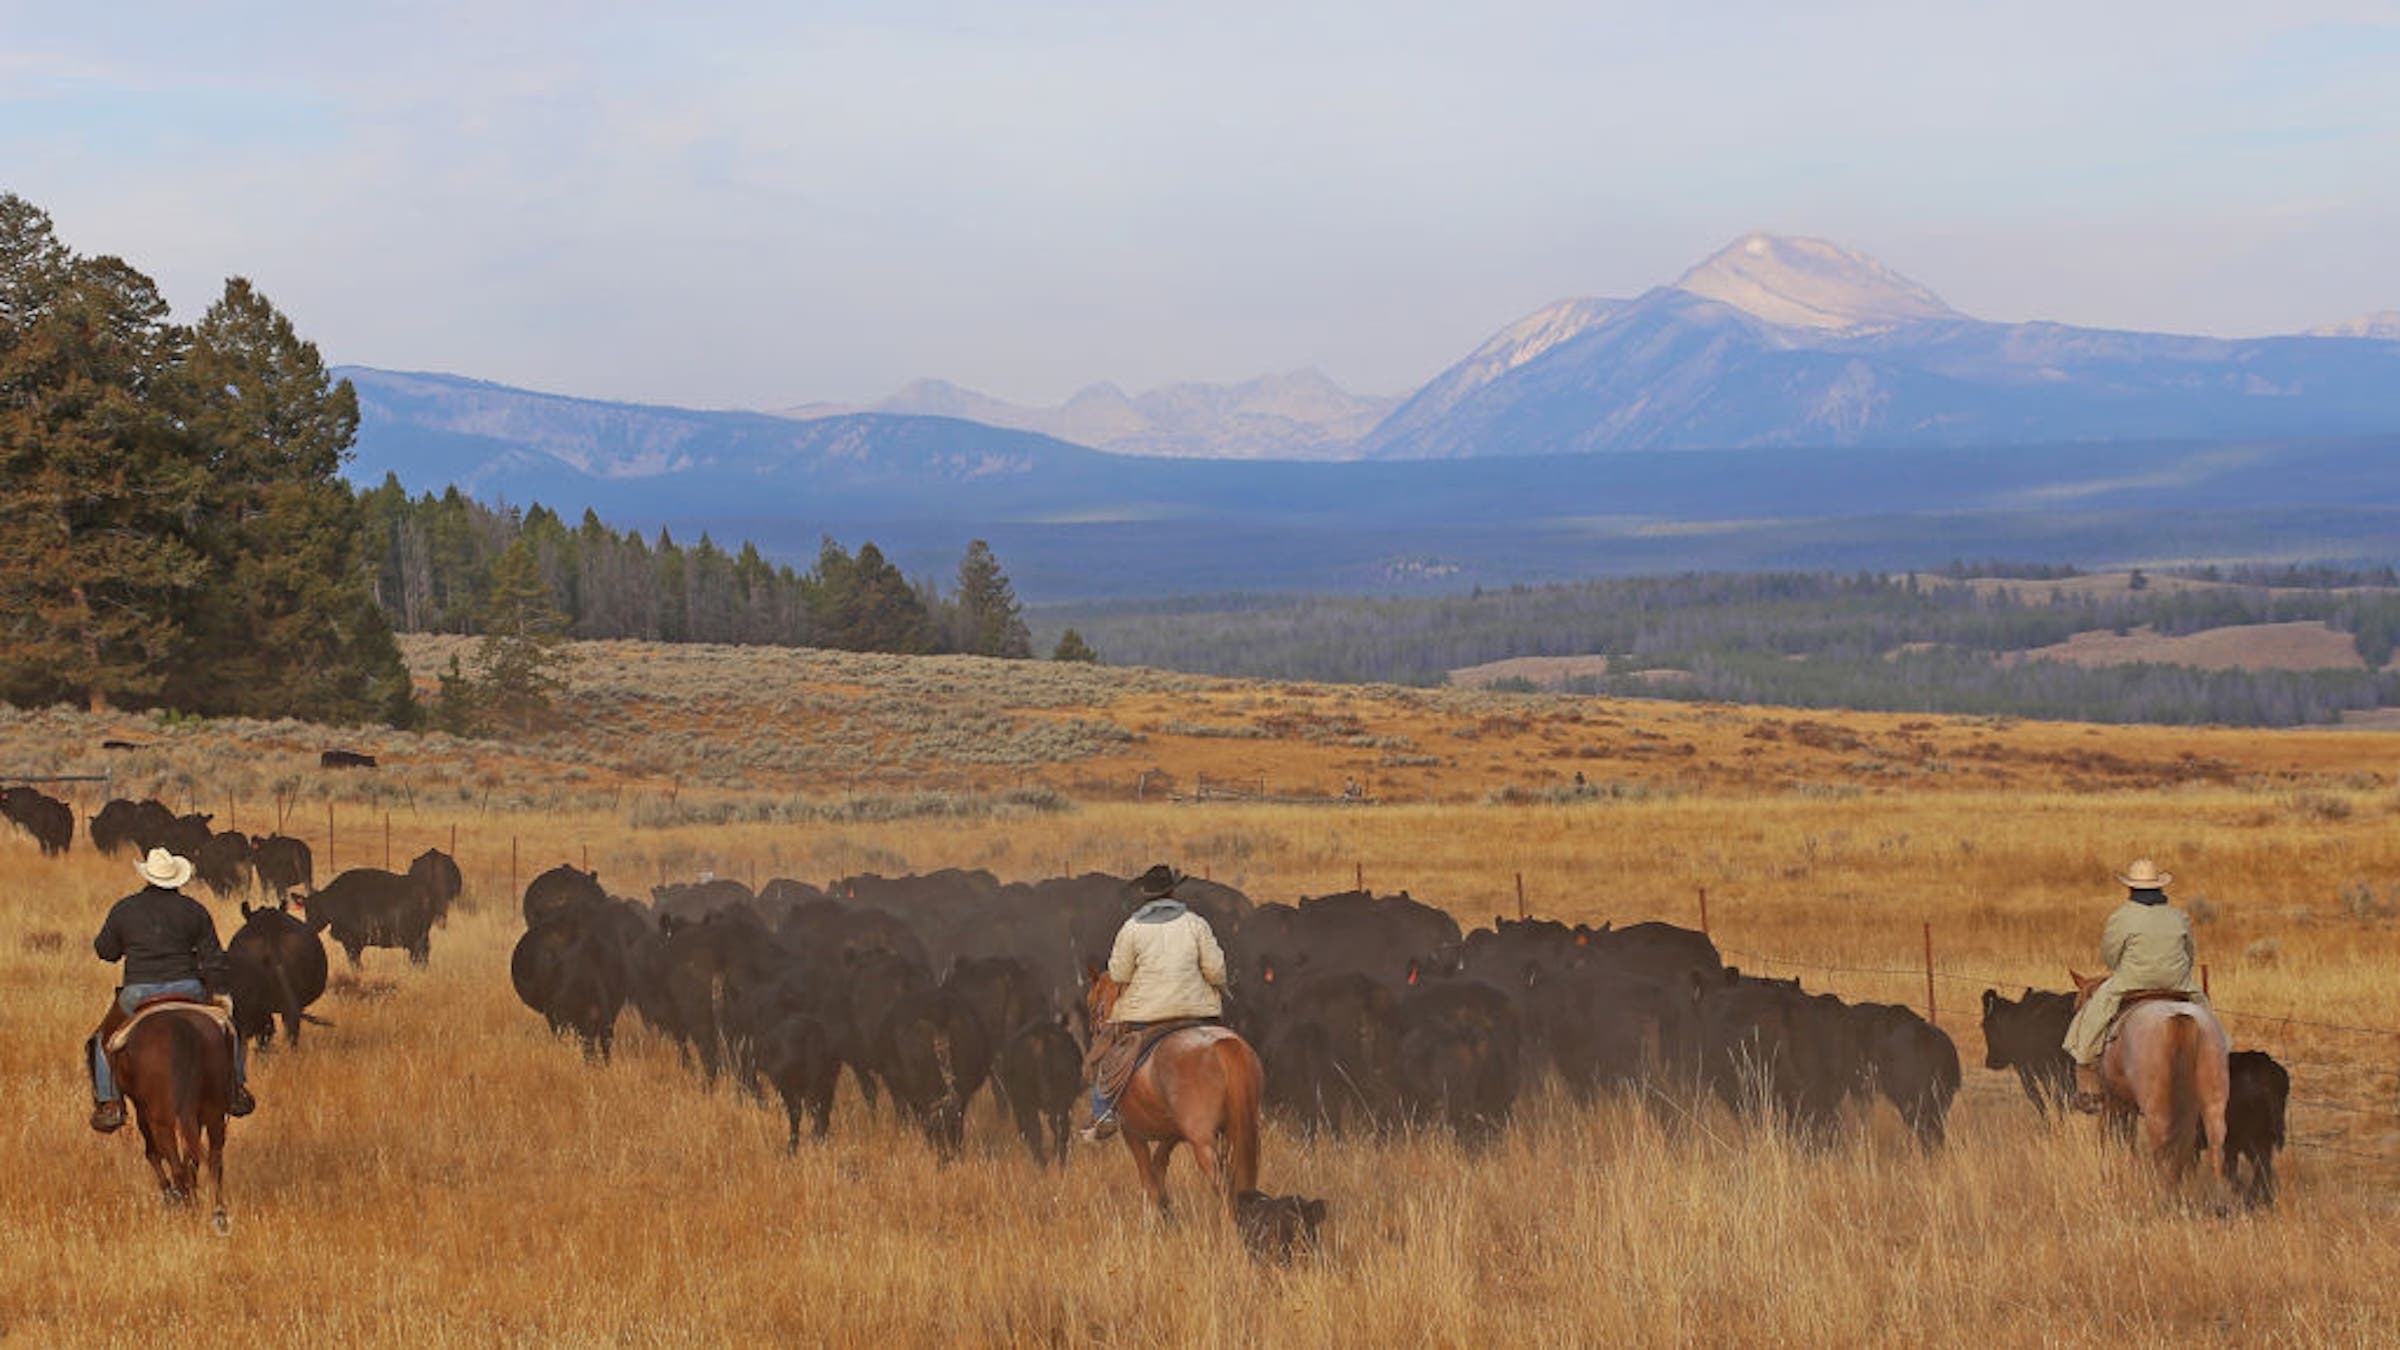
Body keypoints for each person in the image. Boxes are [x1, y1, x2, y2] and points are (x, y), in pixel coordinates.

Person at [86, 847, 254, 1132]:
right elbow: (213, 958)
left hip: (137, 992)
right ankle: (236, 1089)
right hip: (189, 988)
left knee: (101, 1041)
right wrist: (216, 987)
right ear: (177, 878)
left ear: (147, 877)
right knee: (230, 1029)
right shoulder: (194, 910)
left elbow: (106, 951)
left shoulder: (125, 908)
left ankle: (110, 1104)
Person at [1081, 864, 1229, 1142]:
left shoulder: (1131, 928)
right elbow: (1216, 970)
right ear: (1173, 892)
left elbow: (1120, 974)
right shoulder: (1196, 923)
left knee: (1110, 1061)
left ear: (1145, 895)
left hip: (1147, 1014)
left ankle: (1104, 1114)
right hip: (1198, 1010)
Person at [2060, 858, 2208, 1113]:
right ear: (2160, 888)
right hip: (2178, 983)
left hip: (2131, 983)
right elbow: (2190, 954)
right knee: (2208, 1019)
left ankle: (2089, 1089)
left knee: (2089, 1020)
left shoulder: (2122, 917)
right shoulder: (2179, 917)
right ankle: (2219, 1064)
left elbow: (2110, 957)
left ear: (2131, 889)